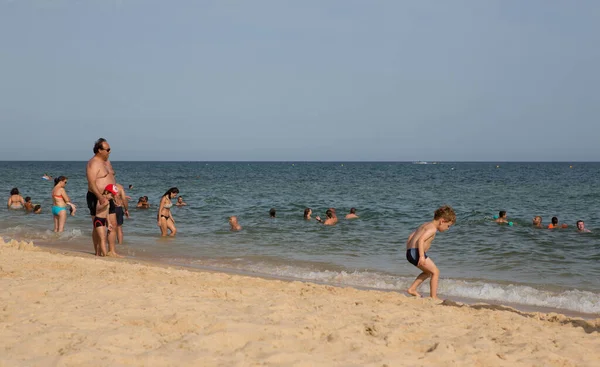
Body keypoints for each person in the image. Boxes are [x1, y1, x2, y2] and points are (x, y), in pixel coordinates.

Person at [406, 205, 456, 299]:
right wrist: (421, 256)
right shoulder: (432, 228)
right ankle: (434, 297)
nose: (448, 228)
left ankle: (412, 289)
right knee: (435, 272)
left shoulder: (425, 225)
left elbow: (411, 236)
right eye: (448, 225)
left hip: (410, 252)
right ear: (442, 221)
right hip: (417, 253)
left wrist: (409, 249)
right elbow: (421, 240)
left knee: (428, 272)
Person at [86, 138, 119, 256]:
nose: (109, 152)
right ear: (99, 150)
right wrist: (100, 197)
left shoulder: (107, 162)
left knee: (113, 224)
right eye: (107, 149)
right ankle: (98, 251)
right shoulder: (93, 163)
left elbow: (111, 179)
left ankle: (112, 251)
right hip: (97, 197)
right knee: (98, 225)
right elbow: (92, 183)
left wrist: (116, 195)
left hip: (109, 197)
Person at [93, 184, 119, 256]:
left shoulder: (108, 201)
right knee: (102, 238)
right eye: (112, 195)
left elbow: (107, 213)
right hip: (98, 220)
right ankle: (105, 254)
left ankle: (99, 253)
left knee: (102, 238)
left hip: (103, 220)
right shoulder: (102, 199)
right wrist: (104, 205)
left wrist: (109, 223)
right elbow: (97, 209)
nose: (112, 197)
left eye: (113, 196)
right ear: (107, 192)